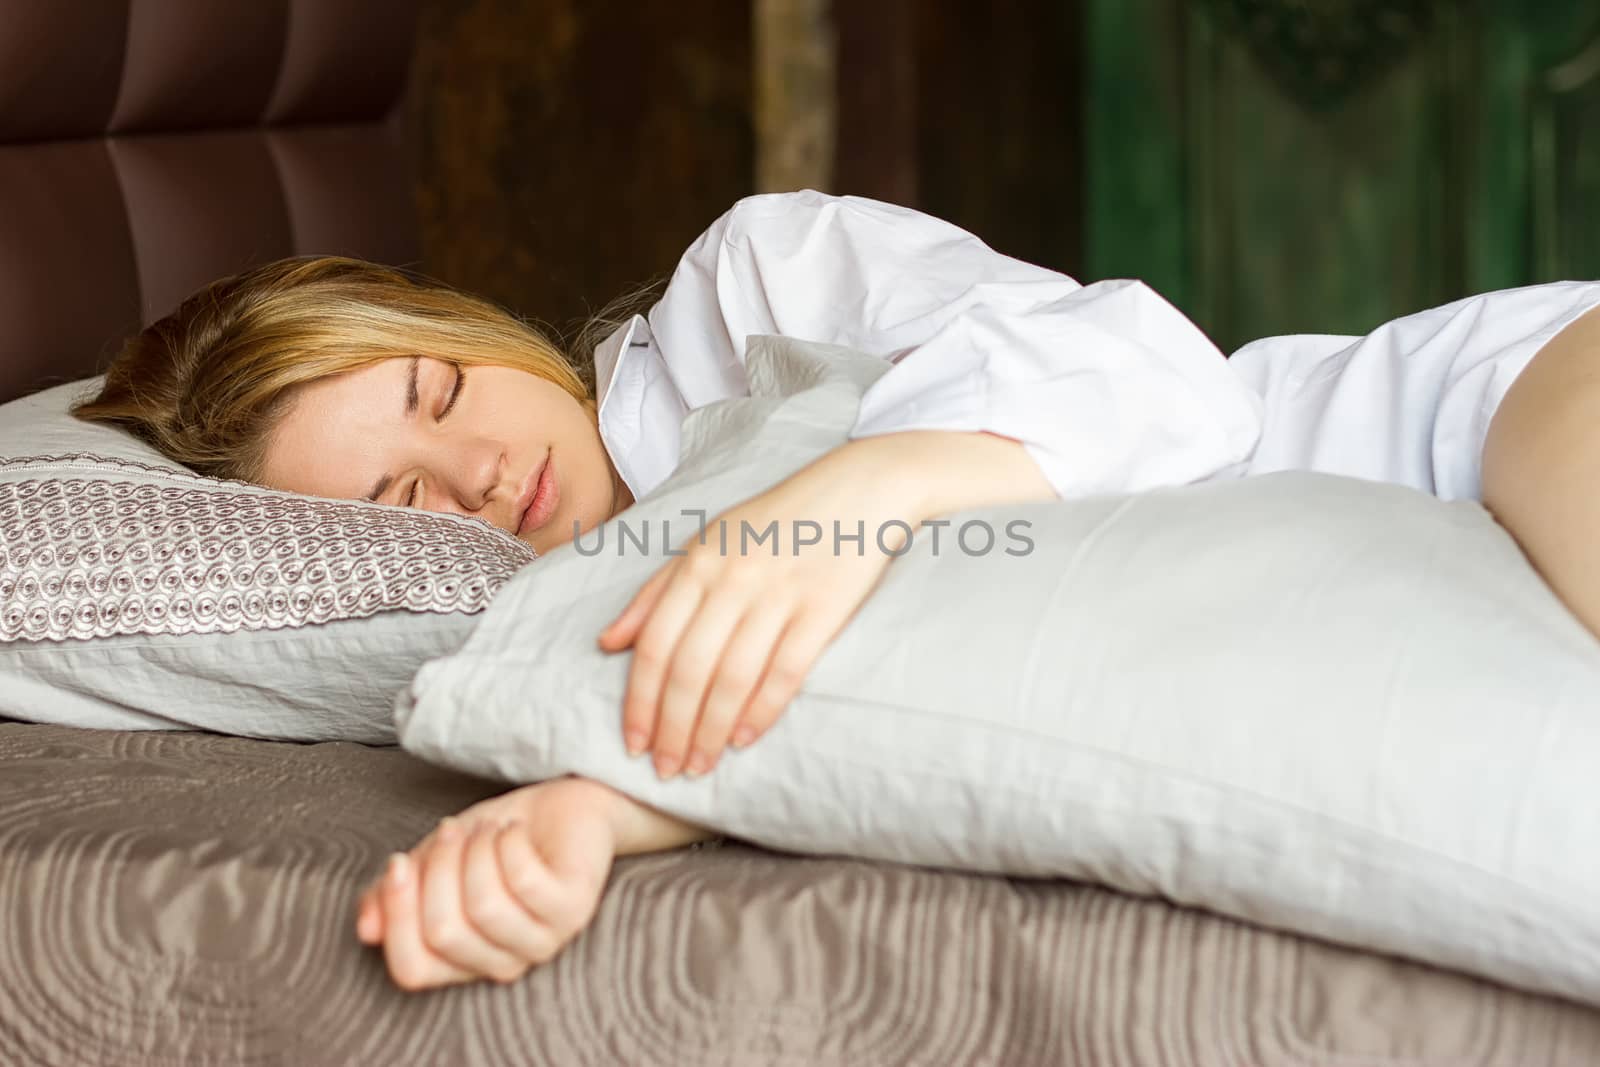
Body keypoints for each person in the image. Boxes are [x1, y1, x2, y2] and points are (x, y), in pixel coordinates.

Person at [71, 190, 1600, 992]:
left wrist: (855, 488)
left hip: (1447, 425)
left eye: (436, 388)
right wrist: (591, 811)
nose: (474, 470)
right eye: (402, 501)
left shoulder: (751, 287)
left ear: (461, 320)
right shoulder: (569, 606)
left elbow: (1153, 373)